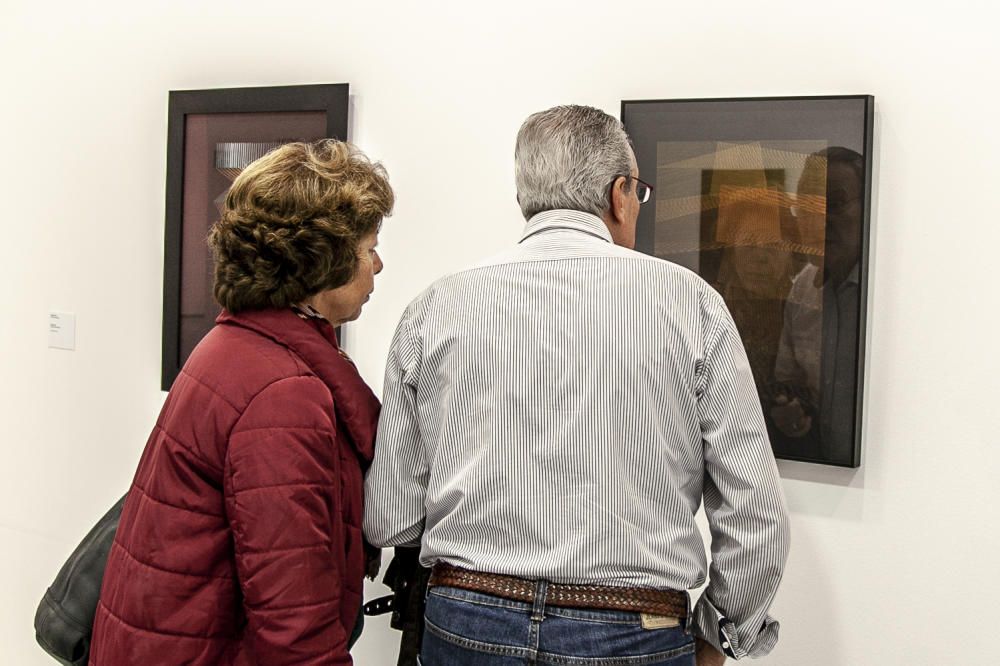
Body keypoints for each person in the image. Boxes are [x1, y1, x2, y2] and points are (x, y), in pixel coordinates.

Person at [364, 105, 790, 666]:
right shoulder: (690, 305)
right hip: (636, 629)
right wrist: (721, 634)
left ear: (527, 200)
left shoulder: (436, 308)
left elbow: (391, 515)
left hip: (467, 619)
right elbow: (754, 509)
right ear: (620, 195)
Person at [89, 139, 393, 665]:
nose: (379, 264)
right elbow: (295, 628)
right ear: (323, 258)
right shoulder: (284, 395)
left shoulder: (235, 346)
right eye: (369, 247)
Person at [770, 147, 865, 465]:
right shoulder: (802, 287)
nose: (819, 219)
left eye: (835, 204)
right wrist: (792, 412)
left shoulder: (891, 292)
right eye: (807, 206)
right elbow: (790, 381)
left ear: (868, 209)